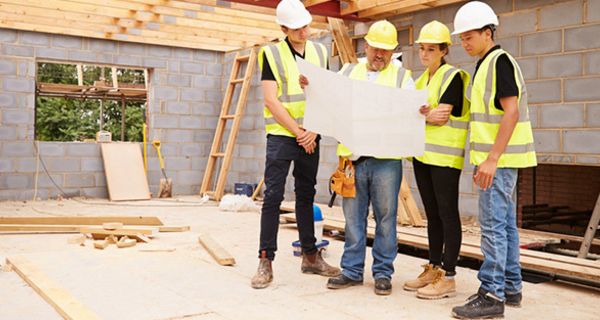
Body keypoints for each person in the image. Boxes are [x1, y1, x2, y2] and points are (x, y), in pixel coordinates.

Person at [450, 2, 537, 318]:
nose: (464, 43)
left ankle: (491, 294)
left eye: (469, 36)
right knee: (504, 226)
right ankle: (511, 288)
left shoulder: (499, 62)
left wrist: (492, 159)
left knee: (492, 227)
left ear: (488, 33)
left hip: (497, 162)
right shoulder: (486, 63)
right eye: (461, 38)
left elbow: (510, 112)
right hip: (498, 160)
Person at [250, 0, 340, 289]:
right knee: (274, 197)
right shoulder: (271, 53)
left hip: (310, 134)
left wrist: (311, 131)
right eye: (297, 27)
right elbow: (270, 99)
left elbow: (325, 94)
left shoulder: (319, 51)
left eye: (306, 24)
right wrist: (299, 131)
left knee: (306, 194)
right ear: (283, 28)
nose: (304, 31)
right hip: (282, 135)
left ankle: (310, 256)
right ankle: (266, 260)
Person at [323, 20, 415, 296]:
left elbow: (412, 111)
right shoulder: (349, 72)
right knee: (353, 218)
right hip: (353, 160)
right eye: (376, 49)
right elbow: (329, 101)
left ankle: (383, 273)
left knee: (386, 218)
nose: (380, 56)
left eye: (386, 51)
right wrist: (310, 87)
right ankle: (351, 271)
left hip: (386, 161)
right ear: (366, 46)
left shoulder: (402, 78)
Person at [402, 20, 470, 300]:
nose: (425, 54)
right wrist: (422, 114)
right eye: (422, 49)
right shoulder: (420, 81)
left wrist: (421, 115)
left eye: (432, 49)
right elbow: (415, 115)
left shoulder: (452, 76)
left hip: (445, 159)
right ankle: (433, 267)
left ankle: (449, 277)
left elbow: (441, 117)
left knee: (447, 213)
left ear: (444, 51)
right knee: (432, 215)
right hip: (423, 155)